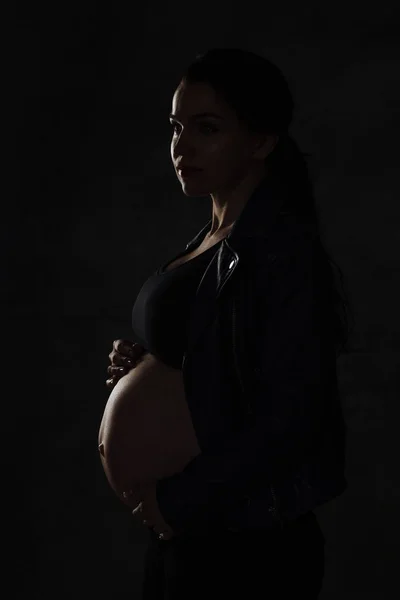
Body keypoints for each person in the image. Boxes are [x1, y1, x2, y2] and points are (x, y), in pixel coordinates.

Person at [106, 47, 354, 599]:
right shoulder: (210, 240)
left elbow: (293, 417)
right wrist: (142, 368)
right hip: (192, 537)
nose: (181, 145)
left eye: (207, 128)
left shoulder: (281, 253)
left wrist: (176, 502)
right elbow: (215, 362)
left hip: (246, 545)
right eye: (176, 127)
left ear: (261, 142)